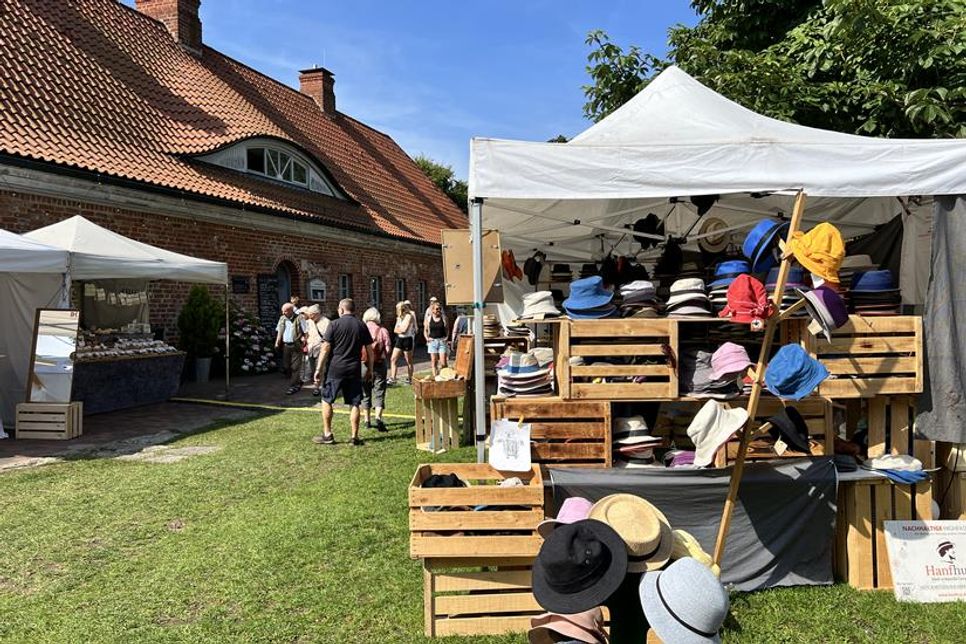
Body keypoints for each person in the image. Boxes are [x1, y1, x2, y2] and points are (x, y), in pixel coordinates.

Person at [312, 298, 373, 446]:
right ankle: (354, 437)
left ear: (341, 309)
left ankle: (328, 434)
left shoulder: (334, 324)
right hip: (354, 368)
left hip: (336, 368)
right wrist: (370, 369)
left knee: (327, 399)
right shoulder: (361, 325)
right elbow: (370, 350)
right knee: (355, 402)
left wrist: (318, 368)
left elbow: (325, 348)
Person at [361, 307, 392, 432]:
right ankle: (378, 417)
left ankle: (366, 420)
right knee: (379, 391)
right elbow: (388, 349)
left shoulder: (361, 330)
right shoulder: (383, 330)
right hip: (379, 363)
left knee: (365, 392)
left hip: (364, 364)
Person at [274, 302, 304, 395]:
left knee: (295, 367)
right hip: (286, 345)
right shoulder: (282, 318)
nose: (283, 313)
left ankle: (293, 386)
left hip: (296, 345)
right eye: (282, 311)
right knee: (287, 366)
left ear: (291, 311)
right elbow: (279, 331)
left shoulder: (300, 318)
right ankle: (298, 381)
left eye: (285, 311)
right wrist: (277, 342)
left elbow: (306, 331)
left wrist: (304, 339)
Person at [303, 304, 331, 397]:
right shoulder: (309, 322)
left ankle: (319, 387)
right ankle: (317, 385)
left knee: (321, 369)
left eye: (312, 315)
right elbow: (307, 333)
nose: (310, 317)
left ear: (317, 313)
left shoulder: (326, 322)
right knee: (313, 369)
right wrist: (304, 340)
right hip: (311, 349)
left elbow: (329, 339)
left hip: (321, 349)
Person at [389, 300, 416, 385]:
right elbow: (394, 330)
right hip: (400, 340)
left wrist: (399, 329)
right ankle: (393, 378)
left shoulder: (409, 316)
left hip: (407, 340)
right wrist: (399, 330)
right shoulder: (399, 318)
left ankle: (410, 378)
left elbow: (404, 330)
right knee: (393, 359)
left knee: (409, 361)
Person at [425, 300, 449, 376]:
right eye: (437, 309)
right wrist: (427, 338)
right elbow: (425, 330)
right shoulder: (429, 319)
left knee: (443, 362)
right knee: (434, 361)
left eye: (439, 308)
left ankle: (444, 376)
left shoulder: (444, 318)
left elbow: (447, 329)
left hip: (442, 341)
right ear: (432, 310)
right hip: (432, 342)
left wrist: (447, 337)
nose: (438, 310)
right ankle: (436, 377)